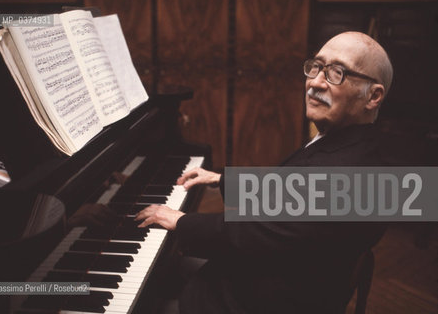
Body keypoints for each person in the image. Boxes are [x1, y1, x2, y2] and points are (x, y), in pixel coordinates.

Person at [134, 32, 416, 313]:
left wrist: (180, 221)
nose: (315, 82)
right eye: (316, 67)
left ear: (373, 96)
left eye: (336, 73)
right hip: (288, 279)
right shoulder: (360, 147)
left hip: (256, 299)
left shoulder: (341, 172)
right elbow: (291, 196)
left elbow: (249, 233)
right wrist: (222, 179)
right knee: (160, 272)